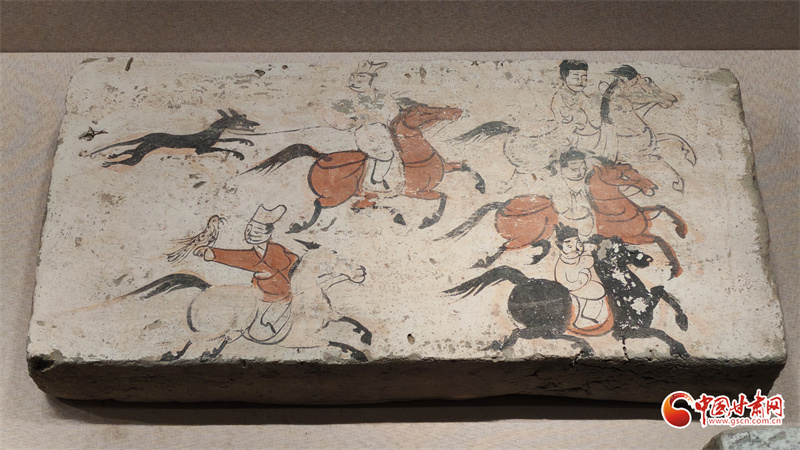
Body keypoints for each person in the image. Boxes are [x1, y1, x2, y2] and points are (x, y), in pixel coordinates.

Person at [194, 204, 299, 344]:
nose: (250, 233)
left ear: (268, 233)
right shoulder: (257, 252)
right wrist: (212, 253)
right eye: (249, 228)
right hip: (258, 295)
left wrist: (272, 275)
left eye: (257, 230)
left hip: (276, 299)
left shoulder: (277, 251)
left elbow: (290, 269)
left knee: (256, 330)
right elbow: (240, 258)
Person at [324, 61, 402, 194]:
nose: (354, 83)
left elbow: (395, 115)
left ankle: (387, 182)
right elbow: (330, 114)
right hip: (364, 134)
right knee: (385, 155)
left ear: (372, 81)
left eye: (360, 80)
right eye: (352, 79)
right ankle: (374, 182)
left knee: (394, 155)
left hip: (384, 133)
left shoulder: (384, 97)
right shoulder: (349, 99)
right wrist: (351, 122)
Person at [553, 223, 613, 336]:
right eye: (569, 245)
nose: (576, 248)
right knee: (592, 293)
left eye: (578, 243)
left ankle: (591, 315)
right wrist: (583, 276)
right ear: (560, 246)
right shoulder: (564, 262)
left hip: (581, 283)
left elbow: (586, 262)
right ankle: (579, 320)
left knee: (599, 290)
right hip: (571, 287)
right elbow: (565, 283)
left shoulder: (574, 257)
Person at [549, 60, 601, 153]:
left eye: (584, 78)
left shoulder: (586, 98)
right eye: (576, 78)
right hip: (566, 139)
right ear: (563, 79)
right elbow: (559, 122)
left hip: (586, 139)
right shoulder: (559, 98)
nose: (581, 82)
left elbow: (594, 122)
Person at [544, 148, 596, 239]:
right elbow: (560, 210)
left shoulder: (587, 185)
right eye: (574, 169)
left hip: (586, 226)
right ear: (562, 169)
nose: (580, 172)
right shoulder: (558, 187)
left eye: (583, 168)